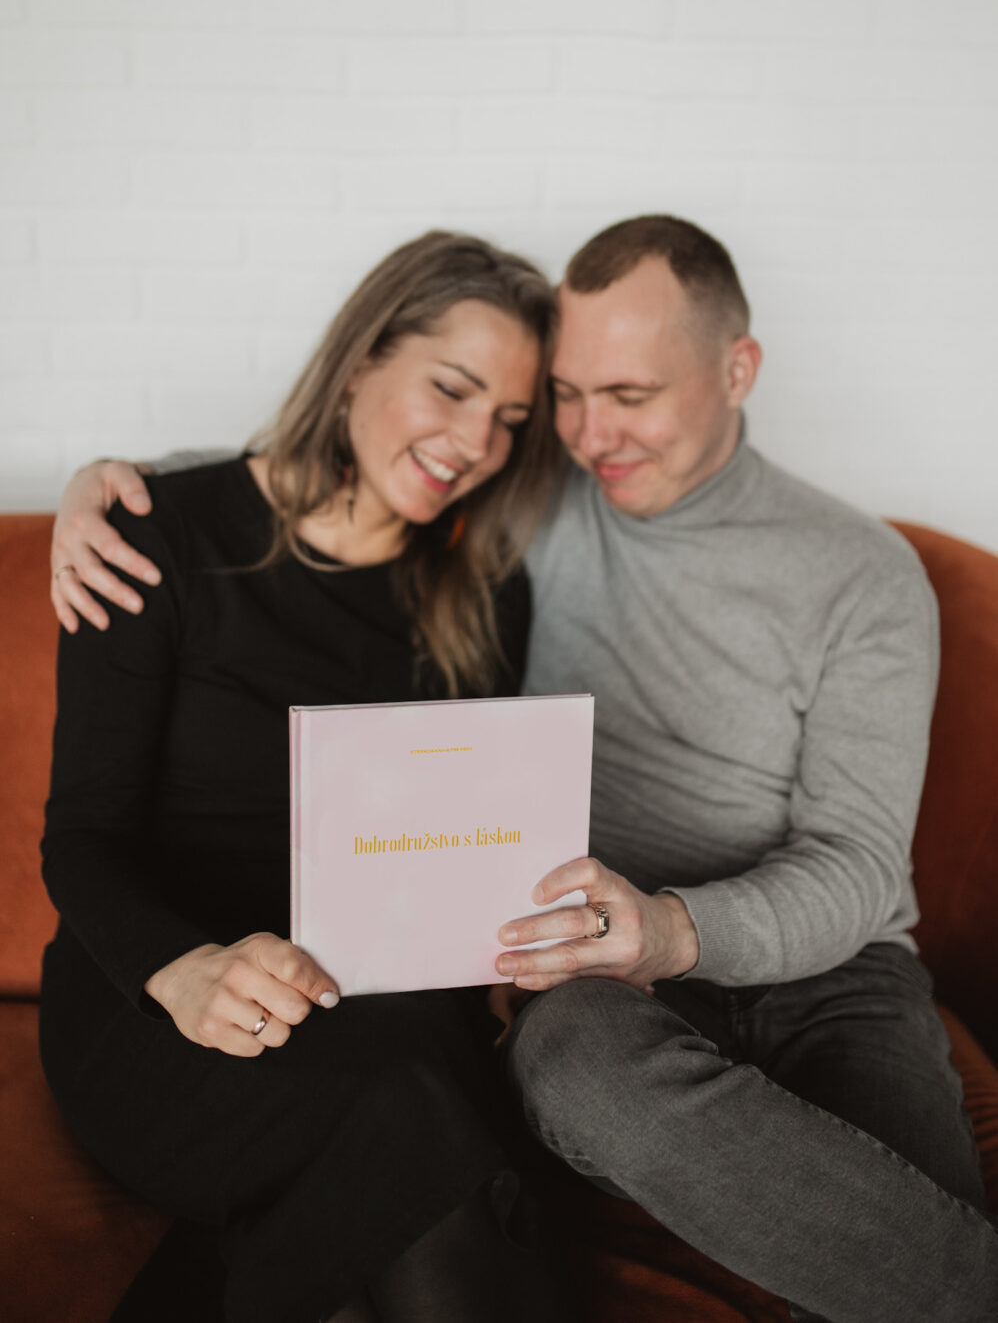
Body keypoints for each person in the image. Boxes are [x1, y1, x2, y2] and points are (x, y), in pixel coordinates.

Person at [51, 217, 998, 1321]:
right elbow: (298, 498)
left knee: (912, 1238)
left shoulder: (856, 573)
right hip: (587, 970)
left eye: (628, 395)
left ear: (737, 370)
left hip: (824, 974)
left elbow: (860, 866)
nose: (589, 436)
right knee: (548, 1082)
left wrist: (670, 929)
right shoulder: (529, 507)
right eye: (566, 397)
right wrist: (110, 484)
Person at [39, 229, 567, 1323]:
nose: (476, 443)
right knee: (423, 1137)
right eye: (452, 388)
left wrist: (509, 950)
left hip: (371, 1003)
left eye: (511, 419)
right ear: (364, 357)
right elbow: (82, 838)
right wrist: (183, 971)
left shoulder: (482, 597)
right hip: (157, 996)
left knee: (416, 1113)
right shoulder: (153, 540)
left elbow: (459, 857)